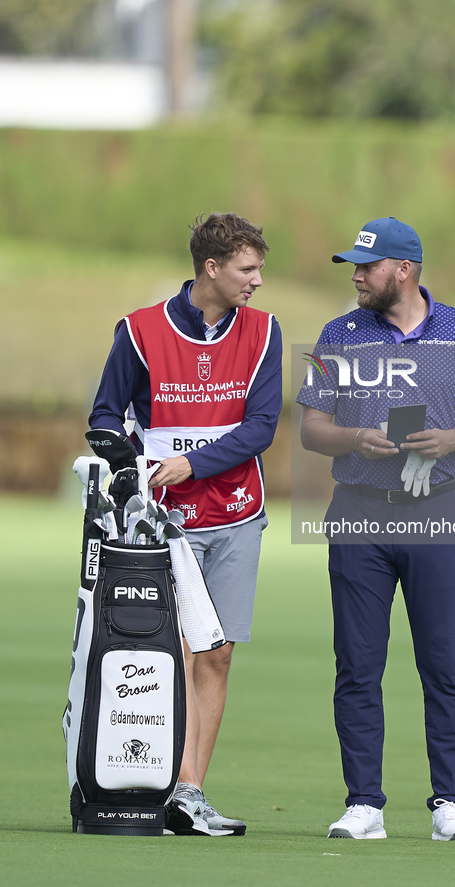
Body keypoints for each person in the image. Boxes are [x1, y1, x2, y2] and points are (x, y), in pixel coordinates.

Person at [297, 216, 455, 842]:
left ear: (405, 269)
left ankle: (450, 805)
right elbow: (311, 429)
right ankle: (364, 805)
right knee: (358, 665)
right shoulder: (340, 333)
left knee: (444, 663)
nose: (357, 275)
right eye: (354, 266)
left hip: (435, 510)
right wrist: (353, 436)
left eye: (368, 265)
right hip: (358, 511)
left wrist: (452, 440)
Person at [90, 212, 282, 836]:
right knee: (172, 653)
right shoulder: (139, 331)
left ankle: (190, 794)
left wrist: (192, 462)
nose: (257, 280)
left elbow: (261, 427)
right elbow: (104, 417)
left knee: (217, 655)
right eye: (247, 269)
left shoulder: (265, 331)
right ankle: (163, 788)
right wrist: (133, 465)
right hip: (162, 523)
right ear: (212, 267)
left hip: (237, 512)